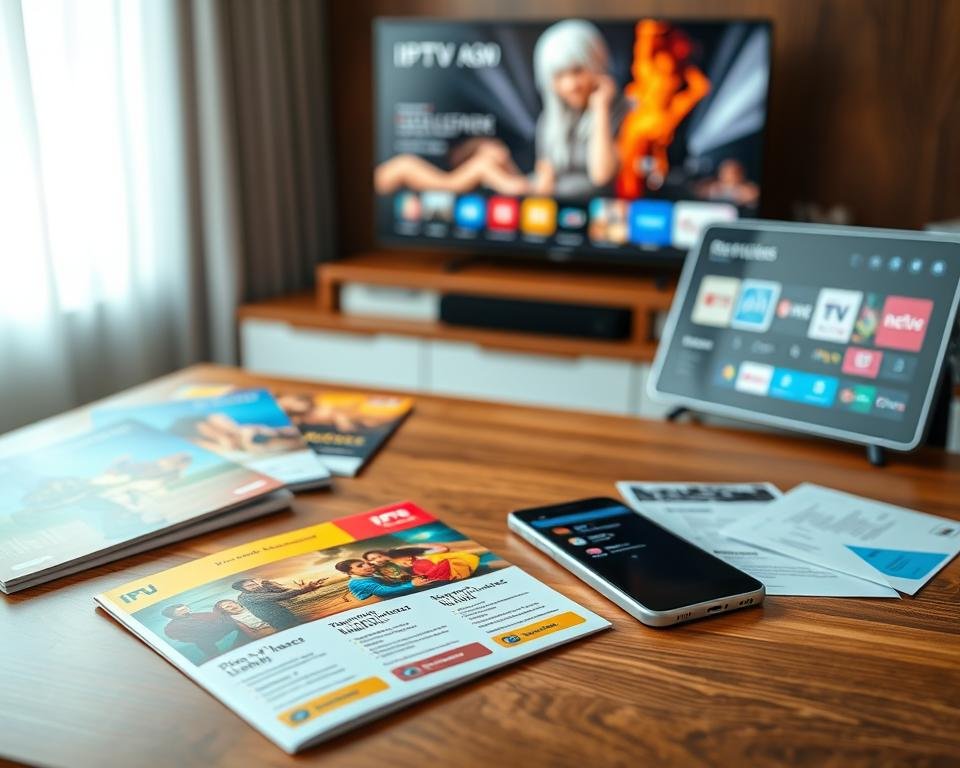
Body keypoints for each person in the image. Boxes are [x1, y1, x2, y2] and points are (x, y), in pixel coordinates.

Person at [373, 20, 622, 201]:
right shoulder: (552, 120)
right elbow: (545, 179)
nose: (570, 85)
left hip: (591, 218)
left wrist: (600, 109)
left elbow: (602, 176)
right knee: (487, 159)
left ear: (596, 63)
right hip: (545, 203)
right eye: (559, 75)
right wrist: (496, 168)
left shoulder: (623, 113)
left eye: (578, 70)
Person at [231, 577, 326, 631]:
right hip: (279, 621)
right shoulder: (247, 597)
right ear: (242, 589)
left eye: (255, 583)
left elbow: (283, 591)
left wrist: (266, 583)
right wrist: (306, 589)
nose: (255, 586)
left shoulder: (256, 591)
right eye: (250, 585)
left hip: (284, 615)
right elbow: (280, 596)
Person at [161, 604, 238, 660]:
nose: (186, 610)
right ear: (172, 615)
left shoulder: (195, 615)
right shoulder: (174, 626)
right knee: (205, 644)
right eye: (181, 610)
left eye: (186, 608)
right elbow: (210, 628)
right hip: (206, 637)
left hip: (214, 631)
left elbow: (214, 617)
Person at [334, 559, 431, 601]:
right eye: (360, 566)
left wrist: (410, 579)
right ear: (350, 572)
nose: (367, 566)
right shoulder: (357, 582)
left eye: (365, 563)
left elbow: (388, 584)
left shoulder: (368, 576)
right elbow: (383, 591)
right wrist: (412, 584)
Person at [386, 547, 481, 582]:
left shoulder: (422, 557)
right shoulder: (416, 567)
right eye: (404, 563)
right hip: (455, 571)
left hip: (459, 565)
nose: (407, 561)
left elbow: (443, 549)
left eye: (407, 558)